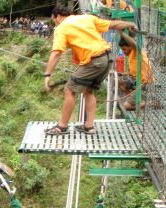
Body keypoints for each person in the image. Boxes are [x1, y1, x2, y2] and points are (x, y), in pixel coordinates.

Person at [43, 6, 137, 135]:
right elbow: (113, 24)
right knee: (88, 90)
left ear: (57, 16)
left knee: (69, 90)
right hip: (108, 58)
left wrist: (47, 74)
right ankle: (89, 126)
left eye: (54, 20)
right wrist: (130, 24)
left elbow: (56, 53)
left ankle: (61, 127)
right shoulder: (87, 18)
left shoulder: (61, 27)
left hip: (95, 60)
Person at [116, 30, 154, 110]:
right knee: (119, 81)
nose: (123, 52)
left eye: (124, 49)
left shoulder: (136, 50)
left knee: (127, 106)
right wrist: (125, 73)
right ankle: (134, 98)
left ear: (130, 46)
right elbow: (134, 70)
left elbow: (133, 41)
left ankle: (150, 103)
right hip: (136, 81)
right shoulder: (130, 54)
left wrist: (120, 31)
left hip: (145, 84)